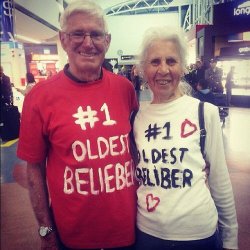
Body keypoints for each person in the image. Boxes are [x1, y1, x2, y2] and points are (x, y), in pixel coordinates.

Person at [17, 1, 138, 249]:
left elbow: (136, 151)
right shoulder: (39, 97)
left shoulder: (124, 90)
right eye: (77, 34)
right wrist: (45, 231)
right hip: (71, 237)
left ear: (108, 40)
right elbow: (34, 170)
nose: (87, 43)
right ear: (63, 39)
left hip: (129, 233)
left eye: (95, 34)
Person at [132, 26, 238, 250]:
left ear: (182, 66)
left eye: (171, 61)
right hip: (147, 235)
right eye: (154, 62)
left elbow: (220, 180)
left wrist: (230, 239)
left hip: (198, 235)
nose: (163, 70)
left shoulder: (204, 112)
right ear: (143, 69)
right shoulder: (136, 118)